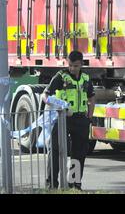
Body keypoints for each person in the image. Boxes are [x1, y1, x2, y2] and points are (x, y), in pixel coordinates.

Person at [44, 50, 95, 190]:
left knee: (79, 154)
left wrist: (89, 117)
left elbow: (91, 98)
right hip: (62, 119)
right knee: (54, 150)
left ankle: (75, 185)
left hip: (80, 120)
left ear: (82, 64)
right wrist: (52, 103)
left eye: (76, 66)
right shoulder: (60, 76)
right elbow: (45, 95)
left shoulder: (86, 78)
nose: (72, 68)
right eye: (70, 65)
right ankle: (52, 185)